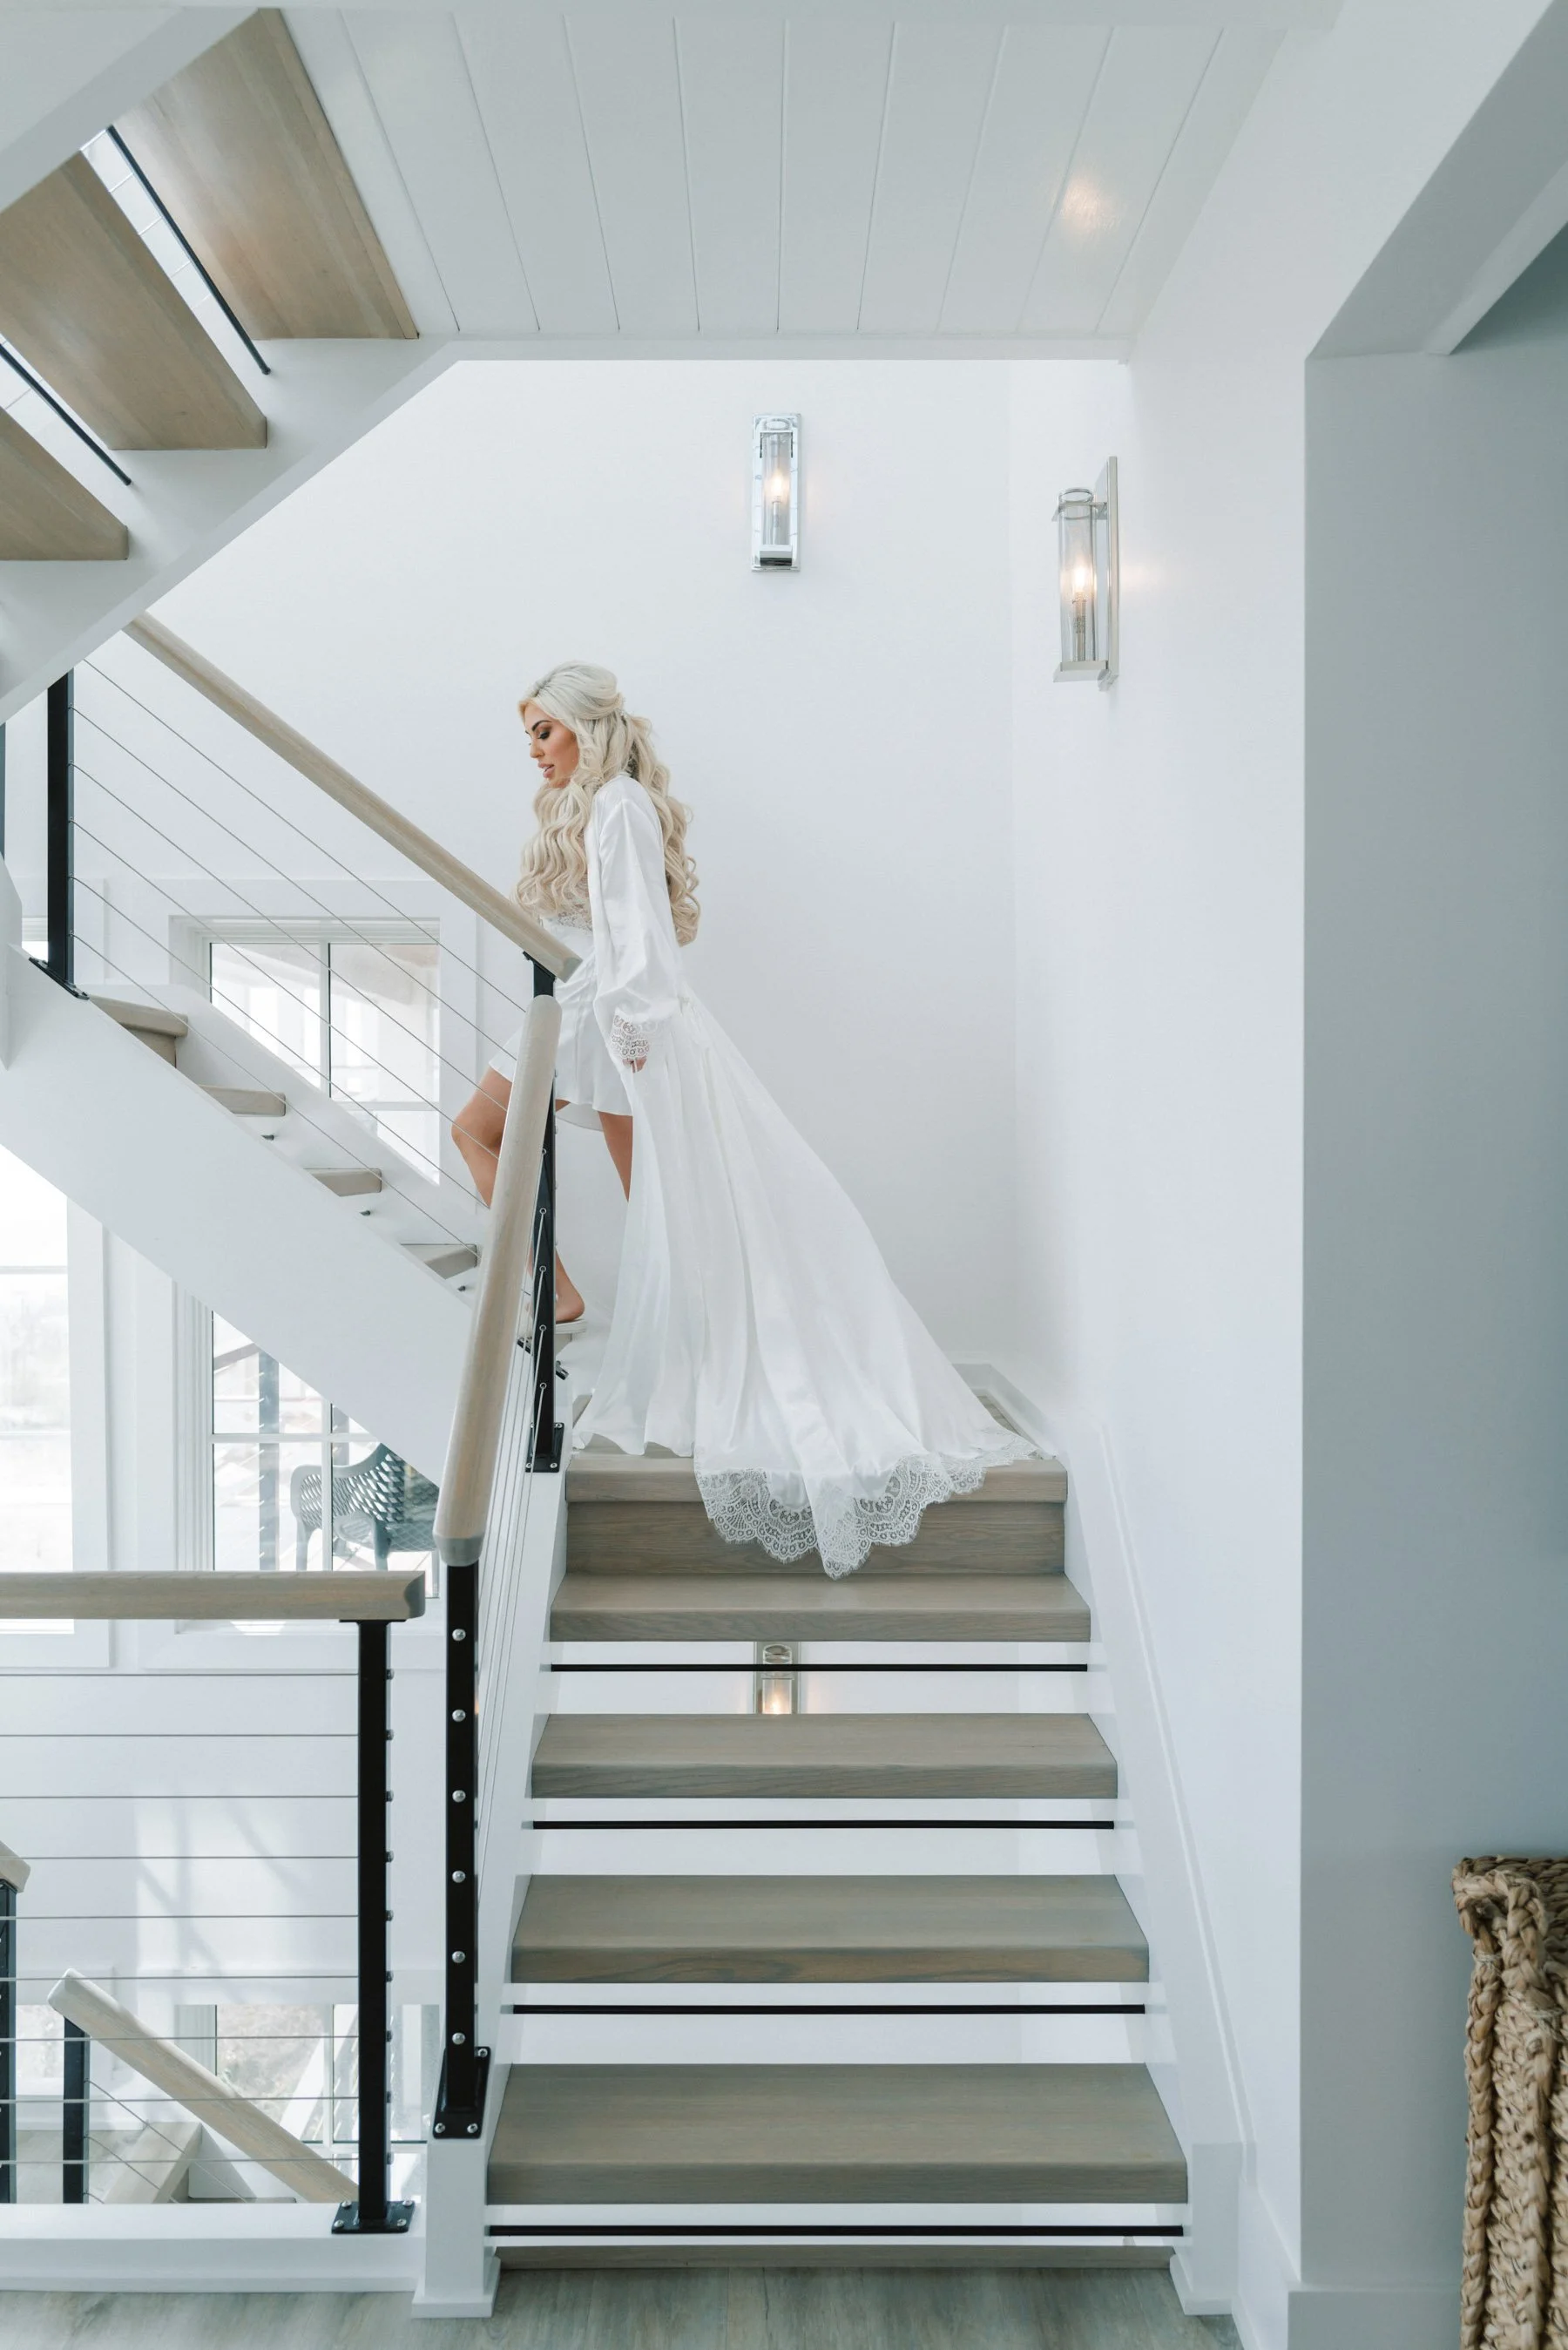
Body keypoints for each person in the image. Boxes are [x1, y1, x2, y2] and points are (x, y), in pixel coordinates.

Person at [452, 663, 1029, 1576]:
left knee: (664, 1205)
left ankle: (694, 1347)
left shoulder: (620, 807)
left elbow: (641, 936)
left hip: (616, 1017)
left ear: (587, 730)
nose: (533, 751)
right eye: (526, 734)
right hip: (588, 1010)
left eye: (545, 731)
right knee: (491, 1137)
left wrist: (635, 1035)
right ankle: (558, 1289)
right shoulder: (594, 809)